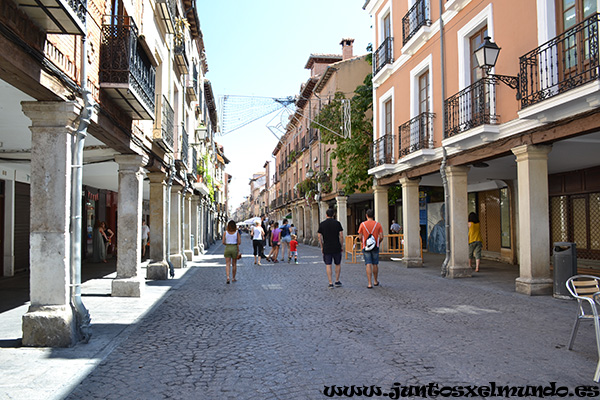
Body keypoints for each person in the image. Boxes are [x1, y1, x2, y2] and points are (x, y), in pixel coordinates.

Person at [317, 208, 344, 289]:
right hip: (336, 246)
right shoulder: (337, 223)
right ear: (333, 215)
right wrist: (341, 245)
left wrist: (322, 246)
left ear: (326, 215)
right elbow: (341, 235)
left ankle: (330, 282)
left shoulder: (322, 224)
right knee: (337, 264)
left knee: (328, 264)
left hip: (327, 247)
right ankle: (337, 280)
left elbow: (319, 237)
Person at [358, 209, 384, 289]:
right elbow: (381, 236)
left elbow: (360, 236)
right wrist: (378, 242)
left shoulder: (362, 224)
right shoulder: (378, 224)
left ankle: (369, 283)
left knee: (368, 263)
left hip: (366, 247)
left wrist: (362, 242)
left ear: (366, 215)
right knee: (375, 263)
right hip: (375, 246)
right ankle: (375, 281)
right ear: (374, 216)